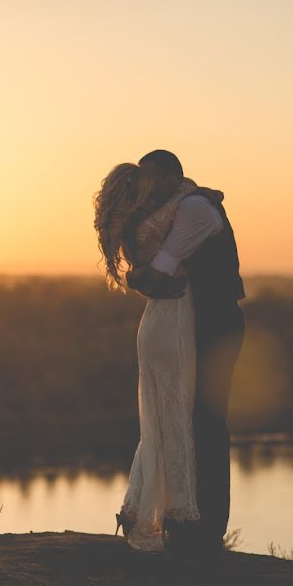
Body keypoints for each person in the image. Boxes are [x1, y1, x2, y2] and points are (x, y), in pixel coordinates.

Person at [127, 149, 246, 554]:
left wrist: (136, 276)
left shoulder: (195, 209)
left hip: (215, 328)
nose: (146, 189)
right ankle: (185, 521)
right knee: (182, 417)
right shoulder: (179, 207)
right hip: (193, 326)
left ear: (175, 177)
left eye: (152, 179)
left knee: (207, 423)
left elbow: (161, 269)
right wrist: (135, 276)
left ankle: (207, 528)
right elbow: (151, 273)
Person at [93, 160, 207, 551]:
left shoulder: (133, 226)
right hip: (173, 321)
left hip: (153, 325)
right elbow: (185, 194)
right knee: (174, 418)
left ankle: (136, 512)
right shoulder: (164, 213)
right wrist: (198, 190)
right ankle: (181, 517)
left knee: (156, 423)